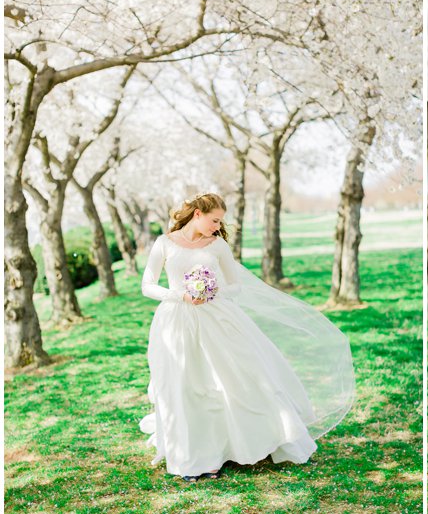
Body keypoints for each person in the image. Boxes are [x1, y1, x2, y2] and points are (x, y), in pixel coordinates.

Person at [140, 192, 354, 483]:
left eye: (220, 222)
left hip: (217, 319)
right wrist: (180, 295)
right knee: (185, 385)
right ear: (197, 214)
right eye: (214, 220)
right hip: (176, 320)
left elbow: (236, 286)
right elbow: (147, 285)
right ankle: (194, 456)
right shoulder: (164, 243)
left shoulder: (217, 246)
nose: (218, 226)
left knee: (227, 382)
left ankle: (236, 446)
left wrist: (210, 292)